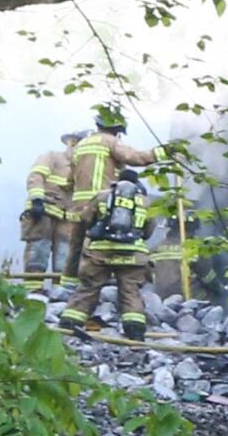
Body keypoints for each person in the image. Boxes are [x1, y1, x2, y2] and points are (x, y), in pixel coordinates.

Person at [60, 103, 158, 337]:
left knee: (80, 251)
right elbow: (134, 157)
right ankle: (134, 331)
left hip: (82, 205)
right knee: (128, 288)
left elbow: (68, 181)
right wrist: (162, 154)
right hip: (106, 208)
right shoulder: (111, 142)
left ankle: (67, 293)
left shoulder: (80, 146)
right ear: (117, 129)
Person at [18, 130, 80, 281]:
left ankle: (59, 290)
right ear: (71, 143)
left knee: (65, 256)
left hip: (67, 217)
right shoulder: (52, 157)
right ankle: (34, 290)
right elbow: (36, 176)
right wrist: (37, 200)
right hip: (42, 212)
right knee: (38, 251)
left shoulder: (83, 168)